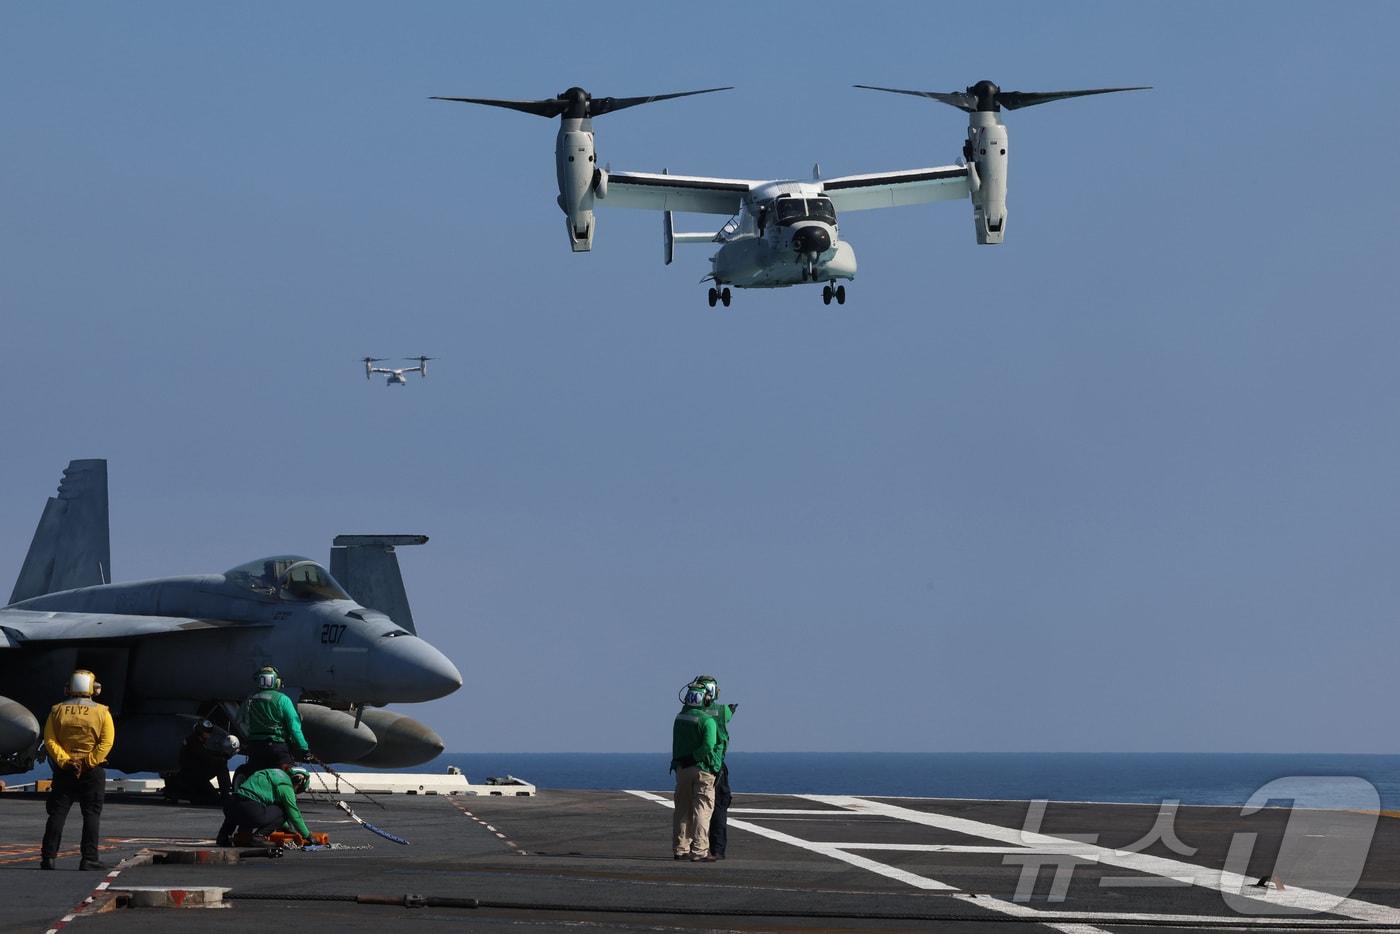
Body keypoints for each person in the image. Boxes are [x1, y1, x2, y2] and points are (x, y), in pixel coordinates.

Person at [40, 669, 115, 870]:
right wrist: (88, 762)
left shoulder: (56, 710)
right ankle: (89, 858)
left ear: (69, 688)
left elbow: (50, 740)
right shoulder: (102, 712)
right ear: (93, 689)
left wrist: (66, 761)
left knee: (57, 813)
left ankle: (48, 857)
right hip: (91, 771)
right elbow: (106, 742)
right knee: (91, 814)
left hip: (65, 770)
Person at [671, 678, 720, 862]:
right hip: (703, 769)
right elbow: (709, 745)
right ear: (705, 699)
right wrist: (696, 757)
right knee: (702, 809)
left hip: (682, 769)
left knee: (682, 809)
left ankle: (680, 848)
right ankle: (699, 850)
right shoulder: (708, 721)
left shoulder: (679, 717)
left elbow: (676, 743)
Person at [234, 666, 309, 782]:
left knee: (255, 780)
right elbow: (294, 727)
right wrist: (304, 748)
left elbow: (239, 720)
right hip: (278, 748)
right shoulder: (283, 700)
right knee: (288, 780)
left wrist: (251, 736)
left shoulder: (250, 699)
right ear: (276, 681)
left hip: (256, 748)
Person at [691, 675, 737, 860]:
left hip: (693, 764)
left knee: (692, 808)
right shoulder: (720, 711)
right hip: (714, 764)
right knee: (718, 805)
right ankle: (716, 849)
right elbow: (729, 711)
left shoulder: (689, 713)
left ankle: (687, 847)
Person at [216, 764, 313, 846]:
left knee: (238, 808)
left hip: (230, 805)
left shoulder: (267, 773)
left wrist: (286, 829)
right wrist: (308, 836)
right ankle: (259, 836)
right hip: (250, 811)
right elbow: (294, 814)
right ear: (299, 781)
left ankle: (223, 836)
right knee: (284, 810)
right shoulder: (285, 785)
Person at [162, 720, 239, 805]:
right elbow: (206, 757)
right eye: (207, 732)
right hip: (192, 778)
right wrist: (223, 758)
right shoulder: (192, 742)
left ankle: (225, 795)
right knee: (214, 799)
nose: (209, 734)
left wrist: (221, 754)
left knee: (215, 796)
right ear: (200, 731)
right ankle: (224, 796)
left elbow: (207, 753)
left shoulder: (197, 741)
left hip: (198, 776)